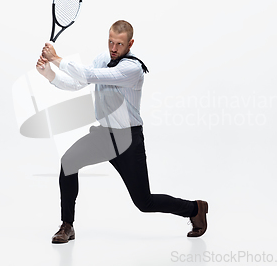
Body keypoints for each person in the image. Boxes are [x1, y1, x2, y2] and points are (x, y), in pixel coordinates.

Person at [36, 20, 208, 244]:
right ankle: (67, 225)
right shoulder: (102, 59)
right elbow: (78, 82)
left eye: (119, 43)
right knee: (68, 162)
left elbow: (90, 76)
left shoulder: (133, 69)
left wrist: (56, 59)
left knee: (144, 202)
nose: (113, 48)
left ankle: (195, 209)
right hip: (103, 135)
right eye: (110, 42)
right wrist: (49, 74)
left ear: (130, 43)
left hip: (128, 140)